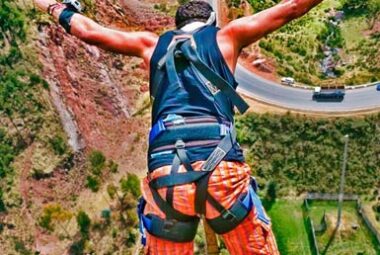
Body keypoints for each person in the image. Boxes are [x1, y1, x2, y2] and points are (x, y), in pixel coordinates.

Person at [33, 0, 324, 254]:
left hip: (167, 177)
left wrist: (50, 5)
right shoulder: (227, 36)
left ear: (177, 26)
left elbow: (89, 31)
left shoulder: (150, 45)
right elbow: (293, 7)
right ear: (211, 22)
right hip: (221, 168)